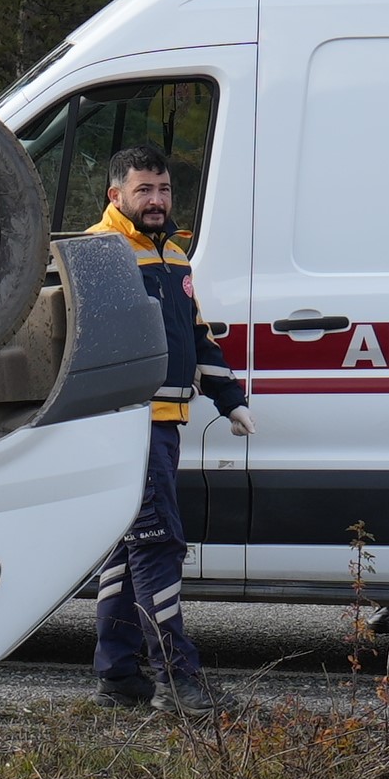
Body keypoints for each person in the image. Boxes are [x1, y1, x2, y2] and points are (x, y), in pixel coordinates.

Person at [86, 143, 245, 707]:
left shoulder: (175, 256)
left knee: (129, 550)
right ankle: (178, 680)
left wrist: (229, 396)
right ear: (116, 195)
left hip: (165, 424)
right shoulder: (101, 255)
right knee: (159, 544)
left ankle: (119, 675)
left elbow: (197, 334)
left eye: (164, 189)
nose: (156, 200)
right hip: (128, 426)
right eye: (143, 190)